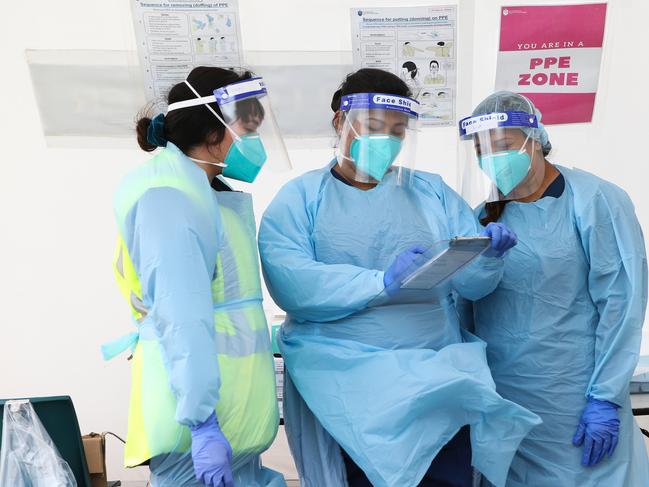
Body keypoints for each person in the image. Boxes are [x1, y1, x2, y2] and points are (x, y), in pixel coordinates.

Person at [258, 68, 541, 487]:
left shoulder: (431, 192)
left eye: (396, 131)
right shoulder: (300, 199)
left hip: (436, 378)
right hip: (347, 384)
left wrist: (488, 258)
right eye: (373, 127)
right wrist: (380, 282)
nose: (385, 141)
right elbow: (292, 284)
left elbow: (472, 286)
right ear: (340, 122)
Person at [103, 67, 288, 487]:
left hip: (231, 426)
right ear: (212, 131)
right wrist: (202, 424)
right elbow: (181, 315)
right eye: (248, 128)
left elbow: (229, 304)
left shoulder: (206, 191)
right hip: (197, 431)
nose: (255, 143)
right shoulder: (168, 198)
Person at [458, 91, 649, 486]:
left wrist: (605, 396)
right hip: (509, 406)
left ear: (536, 139)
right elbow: (465, 310)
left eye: (504, 146)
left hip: (576, 400)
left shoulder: (593, 200)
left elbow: (621, 302)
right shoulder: (484, 217)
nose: (493, 158)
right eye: (483, 150)